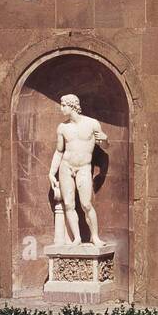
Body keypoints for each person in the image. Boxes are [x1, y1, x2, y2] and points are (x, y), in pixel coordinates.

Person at [48, 94, 107, 247]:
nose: (61, 108)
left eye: (63, 105)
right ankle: (77, 238)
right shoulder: (62, 127)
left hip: (84, 167)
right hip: (66, 167)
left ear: (72, 105)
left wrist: (106, 139)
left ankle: (95, 237)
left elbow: (104, 146)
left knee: (86, 204)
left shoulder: (92, 124)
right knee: (69, 204)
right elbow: (59, 151)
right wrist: (51, 172)